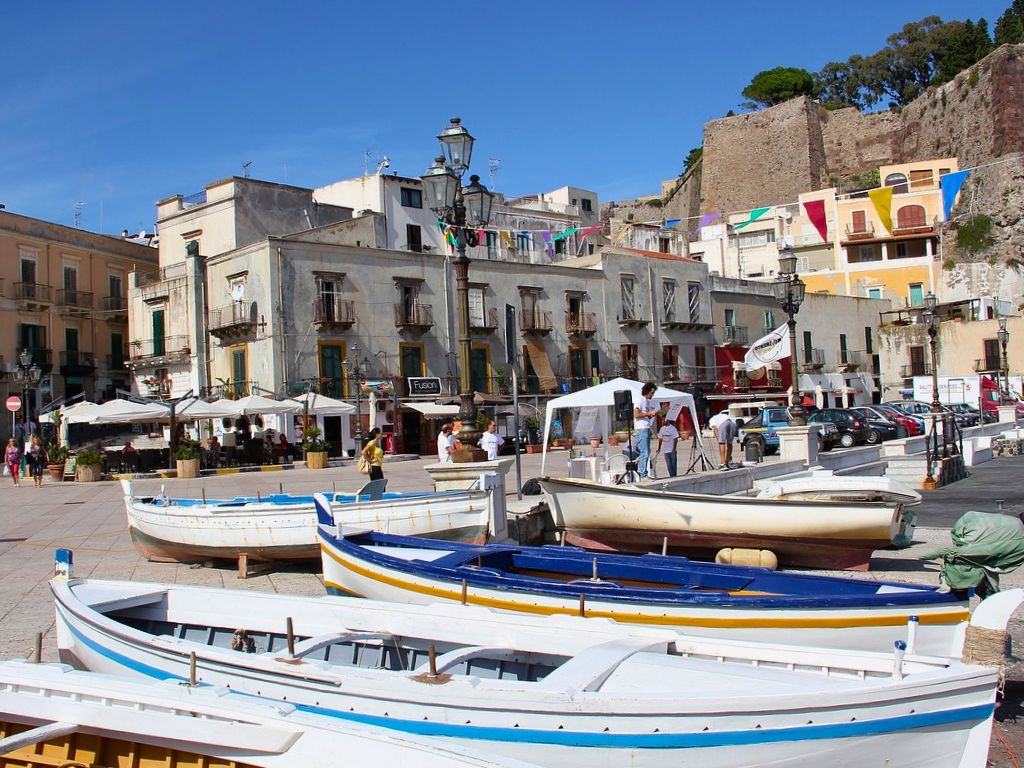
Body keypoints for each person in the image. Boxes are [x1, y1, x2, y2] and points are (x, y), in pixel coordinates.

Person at [632, 382, 658, 479]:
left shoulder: (646, 401)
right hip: (641, 429)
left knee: (646, 451)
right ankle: (643, 474)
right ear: (646, 391)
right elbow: (636, 415)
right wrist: (649, 413)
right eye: (651, 393)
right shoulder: (640, 400)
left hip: (645, 427)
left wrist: (651, 415)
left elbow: (644, 415)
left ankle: (644, 472)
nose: (652, 395)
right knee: (645, 452)